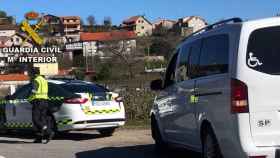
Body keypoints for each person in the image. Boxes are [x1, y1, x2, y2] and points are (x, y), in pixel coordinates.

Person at [28, 67, 54, 144]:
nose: (30, 74)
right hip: (45, 101)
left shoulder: (36, 80)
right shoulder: (44, 80)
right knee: (42, 119)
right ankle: (39, 138)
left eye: (31, 73)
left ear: (34, 73)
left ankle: (48, 132)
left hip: (38, 101)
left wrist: (29, 99)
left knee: (36, 119)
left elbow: (34, 91)